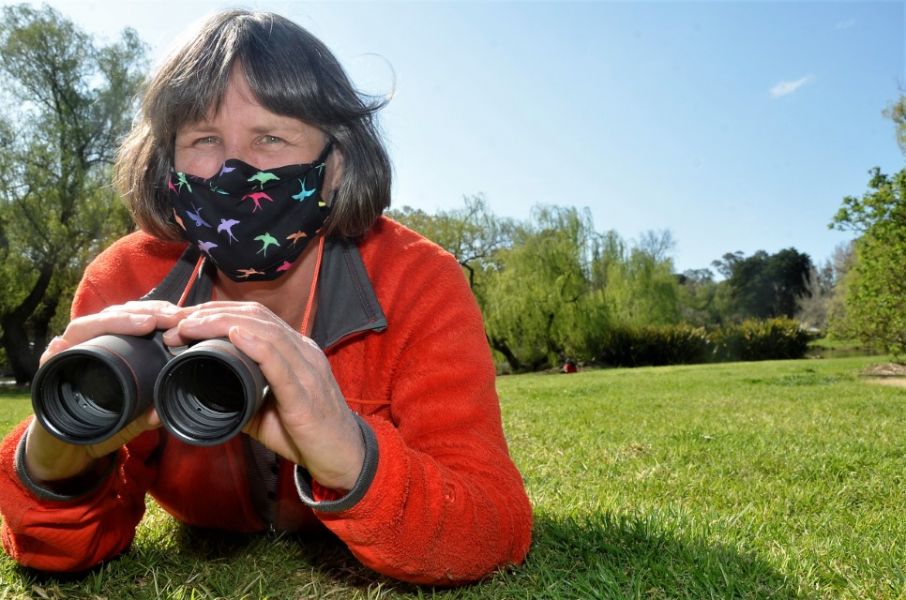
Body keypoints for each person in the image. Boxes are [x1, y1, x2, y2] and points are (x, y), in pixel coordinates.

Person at [0, 10, 532, 585]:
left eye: (271, 137)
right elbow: (59, 549)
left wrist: (348, 450)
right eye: (203, 139)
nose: (234, 169)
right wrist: (53, 462)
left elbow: (490, 524)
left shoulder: (418, 280)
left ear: (336, 165)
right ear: (166, 163)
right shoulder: (127, 279)